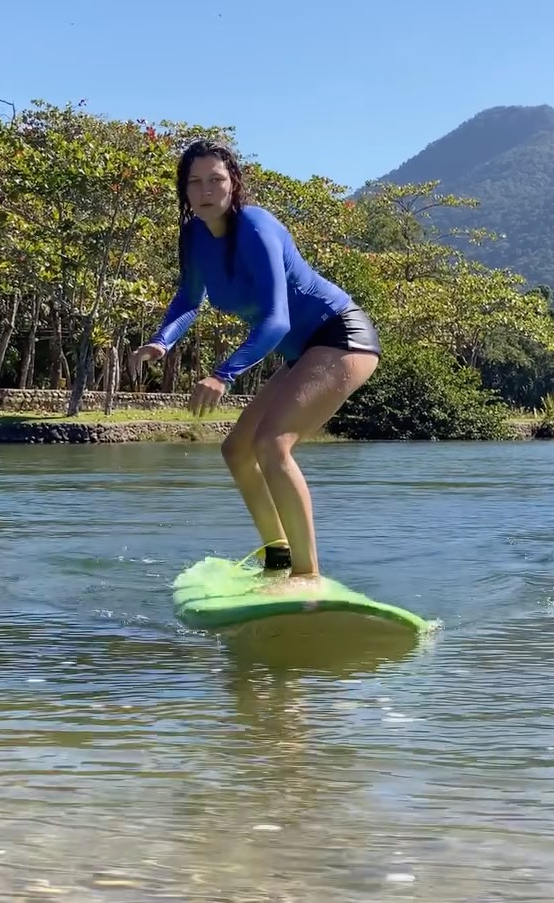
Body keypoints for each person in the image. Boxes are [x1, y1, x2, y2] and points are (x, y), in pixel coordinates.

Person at [130, 139, 381, 580]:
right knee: (237, 450)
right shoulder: (193, 237)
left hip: (341, 337)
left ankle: (307, 576)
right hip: (304, 352)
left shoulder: (256, 227)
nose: (206, 189)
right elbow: (190, 299)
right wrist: (160, 342)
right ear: (184, 192)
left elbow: (276, 321)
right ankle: (278, 557)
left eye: (216, 180)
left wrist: (223, 374)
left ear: (233, 184)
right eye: (195, 182)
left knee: (271, 444)